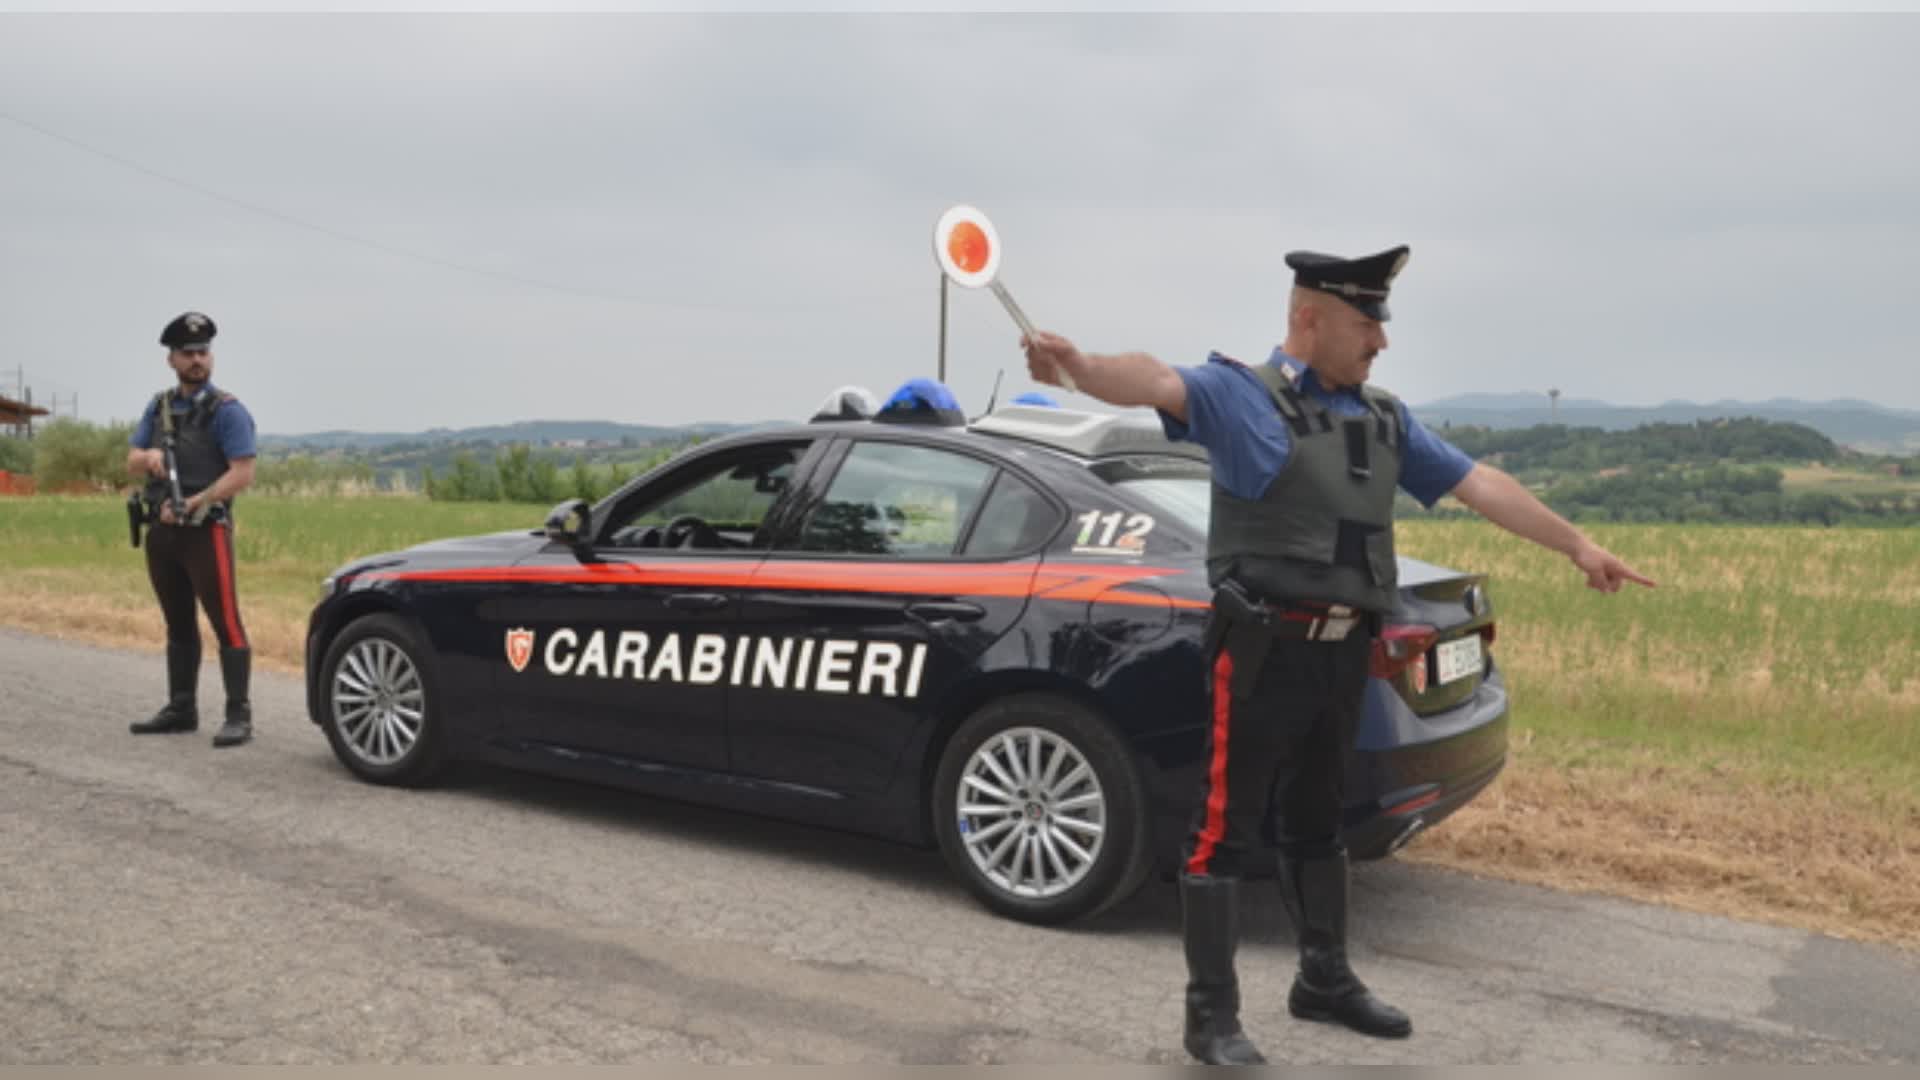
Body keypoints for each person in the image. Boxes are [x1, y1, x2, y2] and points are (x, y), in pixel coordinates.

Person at [1021, 245, 1654, 1064]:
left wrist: (1578, 545)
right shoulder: (1238, 396)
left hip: (1343, 656)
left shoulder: (1385, 419)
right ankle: (1210, 1016)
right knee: (1224, 833)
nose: (1380, 342)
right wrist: (1078, 365)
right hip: (1260, 653)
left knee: (1320, 824)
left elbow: (1479, 483)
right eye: (1365, 324)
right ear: (1308, 318)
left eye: (1381, 325)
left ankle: (1323, 979)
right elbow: (1150, 379)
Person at [126, 311, 260, 748]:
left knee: (226, 622)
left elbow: (242, 473)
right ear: (172, 360)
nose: (197, 360)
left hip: (207, 532)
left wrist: (201, 501)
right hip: (163, 534)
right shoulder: (159, 406)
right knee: (177, 621)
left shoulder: (229, 411)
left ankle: (238, 714)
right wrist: (148, 459)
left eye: (203, 352)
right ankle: (181, 707)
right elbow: (131, 459)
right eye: (188, 353)